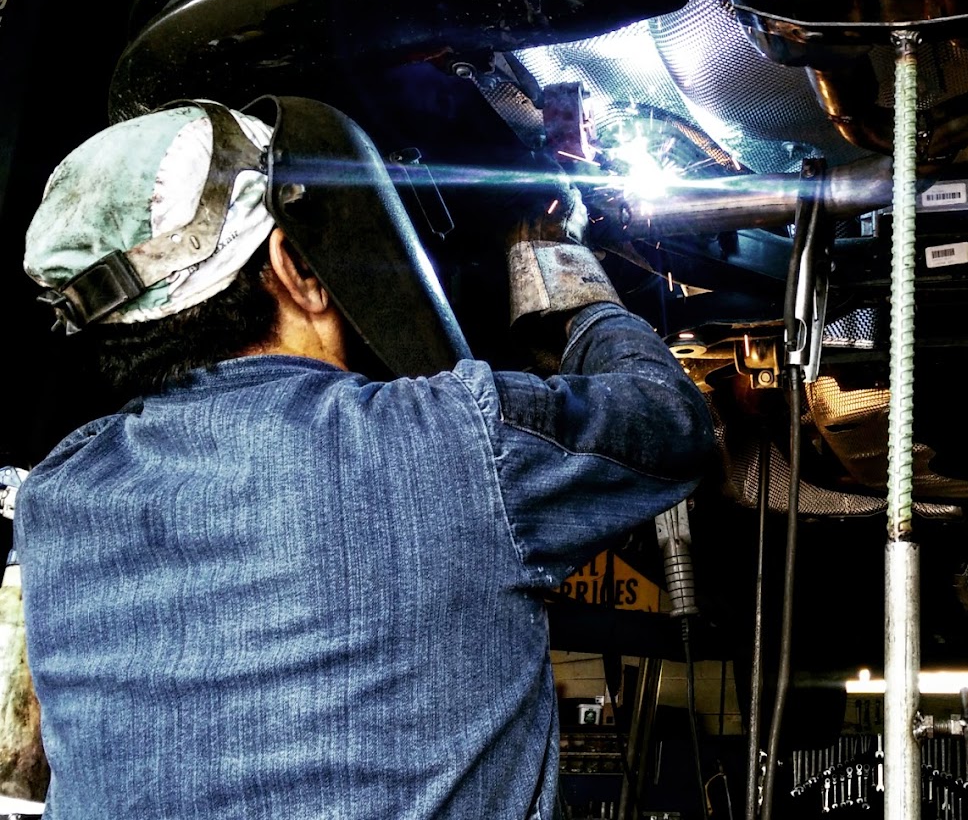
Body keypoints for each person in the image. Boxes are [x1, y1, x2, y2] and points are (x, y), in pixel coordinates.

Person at [14, 100, 713, 819]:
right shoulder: (446, 442)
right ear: (296, 269)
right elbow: (669, 420)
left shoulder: (56, 501)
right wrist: (570, 288)